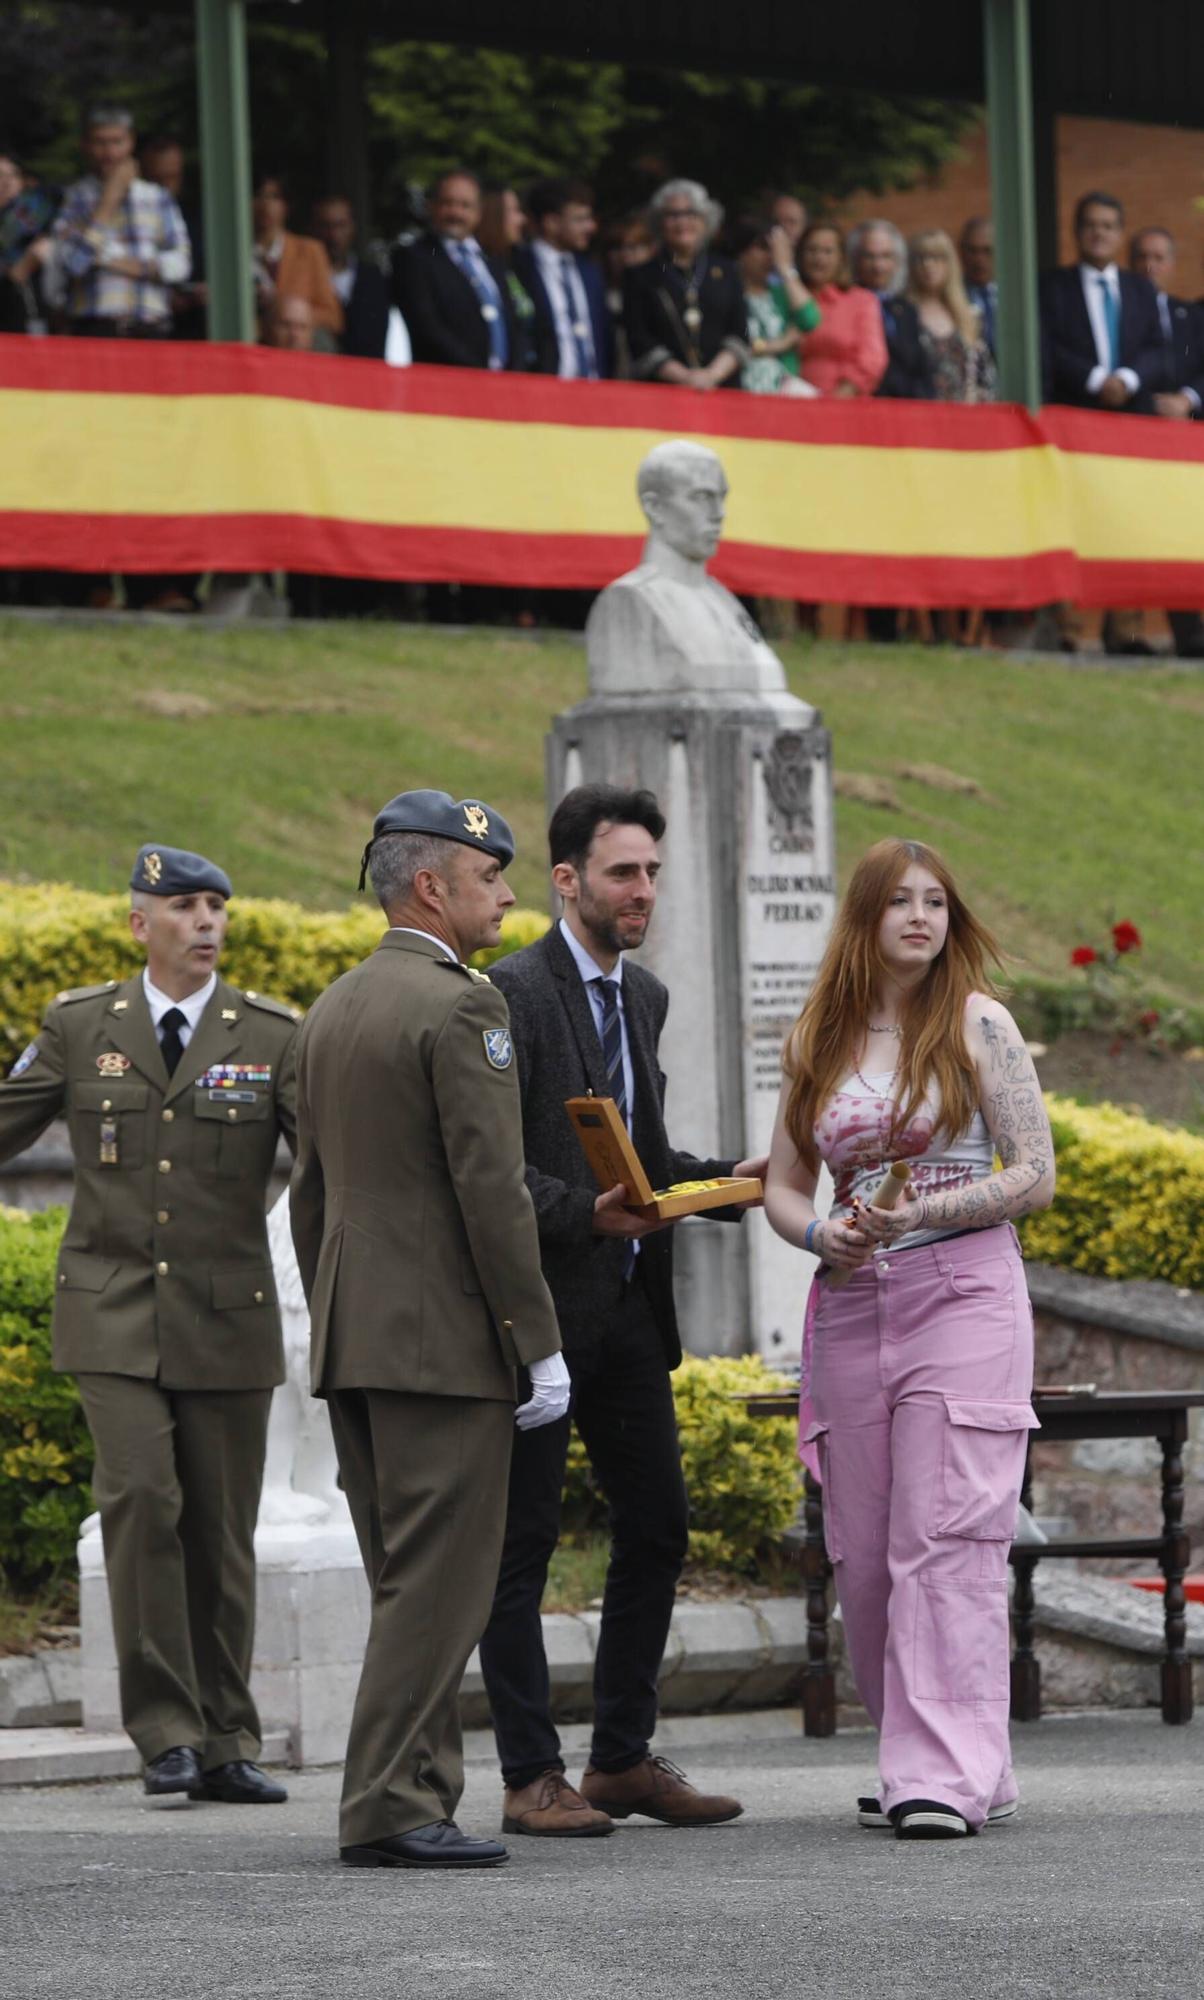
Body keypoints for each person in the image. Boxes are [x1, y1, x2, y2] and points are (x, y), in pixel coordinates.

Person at [477, 784, 766, 1838]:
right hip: (537, 1316)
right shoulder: (507, 993)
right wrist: (585, 1216)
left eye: (651, 871)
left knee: (658, 1526)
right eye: (621, 872)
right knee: (523, 1544)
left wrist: (730, 1181)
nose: (642, 889)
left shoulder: (641, 996)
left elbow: (639, 1163)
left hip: (634, 1315)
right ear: (567, 880)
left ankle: (620, 1759)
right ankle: (527, 1775)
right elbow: (485, 1169)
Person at [289, 791, 568, 1870]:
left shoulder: (335, 1004)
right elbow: (490, 1190)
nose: (504, 892)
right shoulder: (464, 1006)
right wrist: (532, 1339)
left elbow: (308, 1196)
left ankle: (416, 1790)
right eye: (487, 873)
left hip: (359, 1333)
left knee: (406, 1574)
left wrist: (338, 1316)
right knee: (439, 1582)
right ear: (429, 886)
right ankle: (387, 1805)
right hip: (443, 1345)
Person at [764, 837, 1055, 1840]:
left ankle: (938, 1772)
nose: (921, 917)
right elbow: (783, 1183)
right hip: (851, 1302)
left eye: (936, 901)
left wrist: (927, 1214)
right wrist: (820, 1232)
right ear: (865, 917)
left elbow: (1035, 1172)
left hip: (963, 1295)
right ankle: (936, 1756)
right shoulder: (821, 1034)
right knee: (865, 1550)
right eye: (899, 901)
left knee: (944, 1535)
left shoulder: (979, 1021)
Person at [0, 845, 300, 1804]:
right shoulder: (84, 1026)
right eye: (185, 907)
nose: (206, 922)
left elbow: (334, 1161)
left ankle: (226, 1739)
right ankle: (165, 1731)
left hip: (227, 1317)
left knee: (221, 1532)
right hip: (114, 1310)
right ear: (141, 924)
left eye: (217, 906)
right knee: (141, 1505)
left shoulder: (269, 1037)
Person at [1127, 227, 1204, 659]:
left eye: (1158, 257)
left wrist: (1188, 400)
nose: (1149, 265)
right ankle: (1128, 631)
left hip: (1186, 448)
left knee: (1185, 534)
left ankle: (1189, 629)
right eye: (1141, 257)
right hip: (1132, 444)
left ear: (1172, 265)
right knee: (1135, 533)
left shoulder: (1190, 316)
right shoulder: (1119, 313)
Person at [53, 106, 190, 338]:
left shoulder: (157, 197)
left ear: (131, 142)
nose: (109, 152)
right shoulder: (74, 198)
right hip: (94, 325)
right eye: (100, 142)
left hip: (150, 325)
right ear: (85, 145)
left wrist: (110, 261)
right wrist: (108, 202)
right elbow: (73, 264)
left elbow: (181, 265)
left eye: (117, 142)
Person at [1039, 191, 1164, 414]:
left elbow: (1156, 347)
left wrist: (1125, 380)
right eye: (1090, 225)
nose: (1099, 233)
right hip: (1075, 409)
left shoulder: (1142, 288)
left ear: (1120, 234)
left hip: (1134, 410)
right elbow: (1047, 346)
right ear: (1076, 232)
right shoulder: (1051, 286)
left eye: (1108, 226)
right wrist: (1096, 380)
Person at [623, 177, 748, 390]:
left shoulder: (727, 271)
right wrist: (686, 378)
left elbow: (740, 331)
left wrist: (711, 376)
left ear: (705, 220)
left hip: (721, 389)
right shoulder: (641, 276)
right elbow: (639, 339)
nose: (682, 222)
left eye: (691, 213)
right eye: (673, 215)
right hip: (663, 391)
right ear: (659, 222)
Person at [392, 167, 519, 371]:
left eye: (465, 205)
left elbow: (511, 322)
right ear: (431, 206)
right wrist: (476, 372)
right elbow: (427, 327)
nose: (456, 213)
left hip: (502, 385)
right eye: (447, 203)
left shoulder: (493, 260)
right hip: (447, 383)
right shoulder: (414, 257)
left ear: (479, 212)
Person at [516, 176, 609, 380]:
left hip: (593, 393)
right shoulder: (518, 267)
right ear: (551, 222)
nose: (591, 227)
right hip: (542, 392)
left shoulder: (590, 272)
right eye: (580, 219)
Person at [728, 213, 820, 396]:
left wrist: (785, 268)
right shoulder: (726, 292)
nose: (771, 257)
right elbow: (728, 341)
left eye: (775, 249)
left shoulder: (781, 293)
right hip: (737, 386)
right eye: (763, 248)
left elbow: (810, 320)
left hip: (779, 387)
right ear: (742, 251)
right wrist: (779, 344)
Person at [796, 222, 887, 397]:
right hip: (787, 400)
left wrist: (840, 397)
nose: (819, 258)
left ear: (841, 258)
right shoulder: (787, 297)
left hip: (844, 401)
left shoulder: (861, 300)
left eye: (828, 251)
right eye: (812, 250)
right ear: (800, 255)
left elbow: (872, 358)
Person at [251, 173, 341, 348]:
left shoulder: (310, 251)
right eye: (257, 196)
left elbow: (332, 317)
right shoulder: (230, 256)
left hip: (301, 352)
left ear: (286, 205)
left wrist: (289, 315)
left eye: (274, 197)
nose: (265, 205)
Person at [848, 219, 934, 401]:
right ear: (855, 260)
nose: (878, 266)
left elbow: (919, 369)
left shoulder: (906, 310)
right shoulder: (844, 304)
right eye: (869, 257)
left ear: (897, 261)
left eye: (885, 256)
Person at [907, 228, 995, 403]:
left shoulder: (968, 313)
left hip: (965, 415)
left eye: (937, 257)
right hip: (922, 414)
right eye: (921, 258)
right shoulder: (904, 313)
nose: (928, 264)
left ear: (950, 263)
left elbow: (985, 375)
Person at [140, 135, 207, 341]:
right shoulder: (131, 216)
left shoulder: (199, 219)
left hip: (196, 328)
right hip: (145, 327)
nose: (166, 187)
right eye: (158, 179)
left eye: (173, 177)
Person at [311, 195, 390, 360]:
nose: (333, 234)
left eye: (341, 225)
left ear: (352, 228)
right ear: (315, 229)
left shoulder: (373, 278)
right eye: (326, 226)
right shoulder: (305, 276)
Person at [477, 183, 544, 373]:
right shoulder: (481, 268)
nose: (521, 220)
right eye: (513, 211)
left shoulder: (514, 265)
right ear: (492, 215)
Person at [0, 151, 59, 333]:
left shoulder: (39, 213)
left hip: (27, 310)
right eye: (0, 176)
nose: (7, 182)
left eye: (13, 175)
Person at [599, 209, 655, 378]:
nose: (625, 255)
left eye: (633, 247)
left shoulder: (660, 294)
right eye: (617, 248)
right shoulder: (599, 295)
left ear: (651, 250)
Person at [959, 216, 997, 358]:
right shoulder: (952, 295)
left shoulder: (1016, 295)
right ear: (961, 252)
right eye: (972, 251)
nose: (979, 259)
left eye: (987, 251)